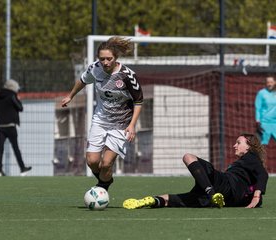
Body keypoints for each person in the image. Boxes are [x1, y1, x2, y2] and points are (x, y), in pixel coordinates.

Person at [61, 36, 143, 191]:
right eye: (102, 59)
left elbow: (139, 101)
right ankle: (105, 181)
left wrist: (132, 126)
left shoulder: (127, 75)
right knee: (92, 161)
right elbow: (82, 80)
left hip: (121, 123)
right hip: (100, 120)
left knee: (106, 163)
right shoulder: (95, 68)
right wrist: (70, 95)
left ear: (116, 57)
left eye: (109, 59)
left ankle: (102, 188)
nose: (105, 62)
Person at [123, 133, 268, 209]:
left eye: (238, 143)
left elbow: (263, 174)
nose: (234, 146)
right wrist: (254, 198)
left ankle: (210, 193)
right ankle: (155, 200)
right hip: (224, 198)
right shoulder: (246, 165)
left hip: (223, 185)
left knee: (188, 157)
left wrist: (256, 196)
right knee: (178, 200)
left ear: (249, 146)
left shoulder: (251, 157)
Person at [0, 79, 32, 176]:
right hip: (10, 126)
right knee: (15, 147)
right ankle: (22, 168)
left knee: (0, 148)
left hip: (0, 125)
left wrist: (1, 116)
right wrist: (18, 100)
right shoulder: (12, 96)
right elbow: (20, 108)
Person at [254, 75, 276, 145]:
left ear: (274, 82)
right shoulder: (261, 93)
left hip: (275, 123)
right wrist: (257, 121)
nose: (269, 84)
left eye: (271, 82)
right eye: (268, 82)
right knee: (261, 146)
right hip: (264, 123)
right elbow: (258, 107)